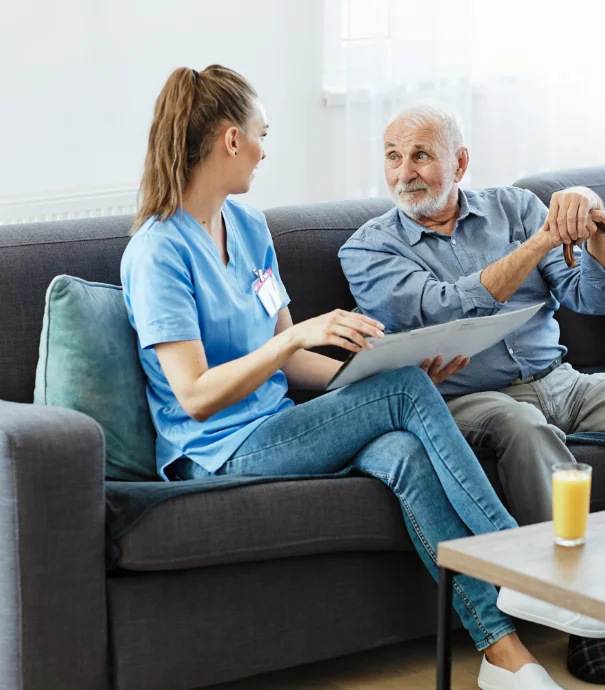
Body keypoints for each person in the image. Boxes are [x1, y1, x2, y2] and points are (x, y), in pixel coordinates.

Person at [121, 66, 565, 690]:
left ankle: (503, 655)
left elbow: (297, 361)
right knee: (404, 393)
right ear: (229, 140)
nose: (264, 149)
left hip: (277, 424)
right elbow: (194, 396)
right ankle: (524, 567)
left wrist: (382, 371)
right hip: (216, 450)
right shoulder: (157, 251)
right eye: (260, 134)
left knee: (404, 445)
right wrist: (299, 339)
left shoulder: (248, 227)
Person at [338, 104, 605, 685]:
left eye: (420, 155)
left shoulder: (515, 209)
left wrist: (595, 232)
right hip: (470, 396)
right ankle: (584, 621)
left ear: (460, 161)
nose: (404, 173)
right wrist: (539, 241)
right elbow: (443, 305)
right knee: (530, 434)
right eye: (393, 157)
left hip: (561, 378)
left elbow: (590, 296)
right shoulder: (367, 248)